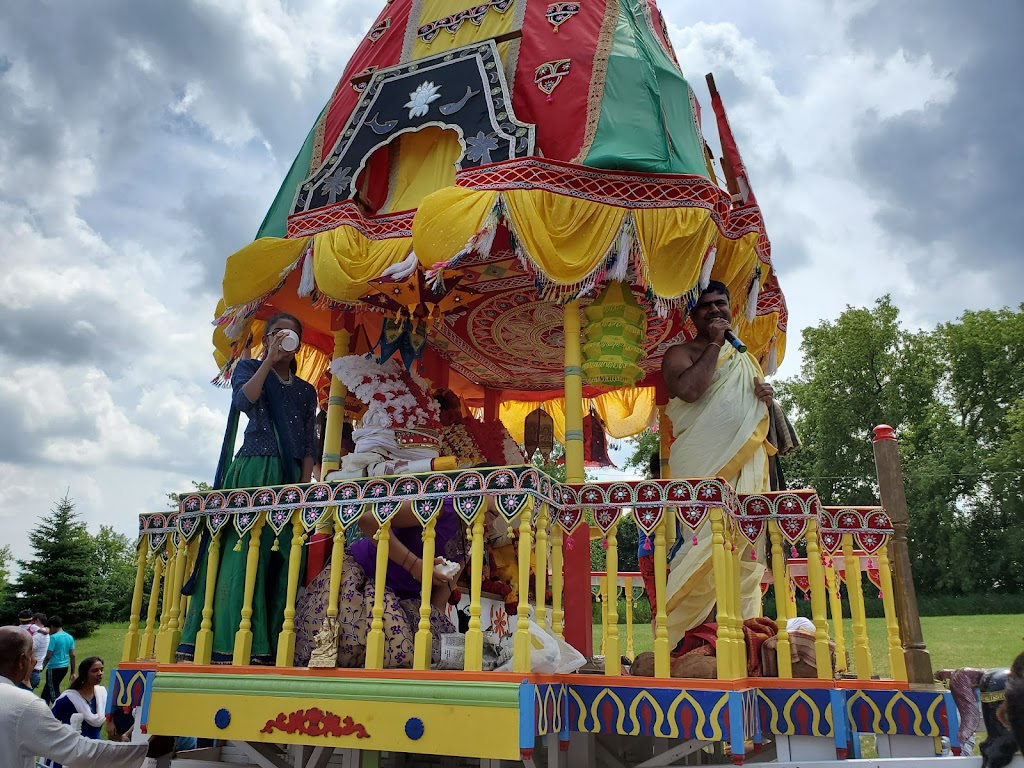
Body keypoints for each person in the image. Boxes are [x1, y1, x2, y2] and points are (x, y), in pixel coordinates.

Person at [295, 356, 463, 669]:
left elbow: (439, 595)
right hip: (364, 581)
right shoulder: (437, 501)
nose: (496, 518)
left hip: (406, 597)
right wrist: (418, 567)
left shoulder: (466, 526)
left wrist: (434, 591)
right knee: (375, 646)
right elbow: (370, 520)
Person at [178, 312, 318, 664]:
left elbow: (307, 443)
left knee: (282, 556)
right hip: (253, 469)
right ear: (267, 337)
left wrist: (303, 489)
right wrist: (267, 360)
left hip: (288, 480)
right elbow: (243, 402)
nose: (284, 338)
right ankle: (228, 642)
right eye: (276, 332)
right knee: (241, 555)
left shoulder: (306, 391)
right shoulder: (248, 369)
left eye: (290, 333)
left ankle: (269, 643)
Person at [661, 281, 772, 648]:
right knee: (698, 553)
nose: (714, 311)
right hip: (700, 474)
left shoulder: (745, 359)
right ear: (693, 316)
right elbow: (691, 391)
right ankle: (680, 648)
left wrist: (763, 400)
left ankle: (744, 646)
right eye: (705, 306)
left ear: (731, 309)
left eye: (720, 303)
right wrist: (714, 343)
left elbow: (752, 421)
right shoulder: (680, 352)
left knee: (742, 557)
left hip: (745, 475)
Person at [0, 626, 170, 768]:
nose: (35, 661)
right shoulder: (23, 705)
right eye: (32, 656)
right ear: (22, 660)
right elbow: (79, 751)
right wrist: (144, 750)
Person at [47, 657, 106, 767]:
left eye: (101, 670)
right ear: (84, 674)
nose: (100, 673)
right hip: (71, 753)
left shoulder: (102, 695)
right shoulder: (67, 699)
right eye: (95, 671)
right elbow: (49, 724)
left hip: (96, 751)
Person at [42, 616, 75, 706]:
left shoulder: (53, 638)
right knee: (46, 691)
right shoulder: (69, 637)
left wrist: (41, 667)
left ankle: (62, 711)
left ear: (52, 627)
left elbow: (48, 656)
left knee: (54, 693)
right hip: (64, 668)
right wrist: (73, 672)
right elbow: (73, 655)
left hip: (54, 668)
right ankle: (42, 709)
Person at [29, 613, 49, 692]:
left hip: (31, 672)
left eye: (33, 621)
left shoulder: (39, 636)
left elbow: (27, 648)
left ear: (37, 620)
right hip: (36, 671)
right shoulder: (44, 633)